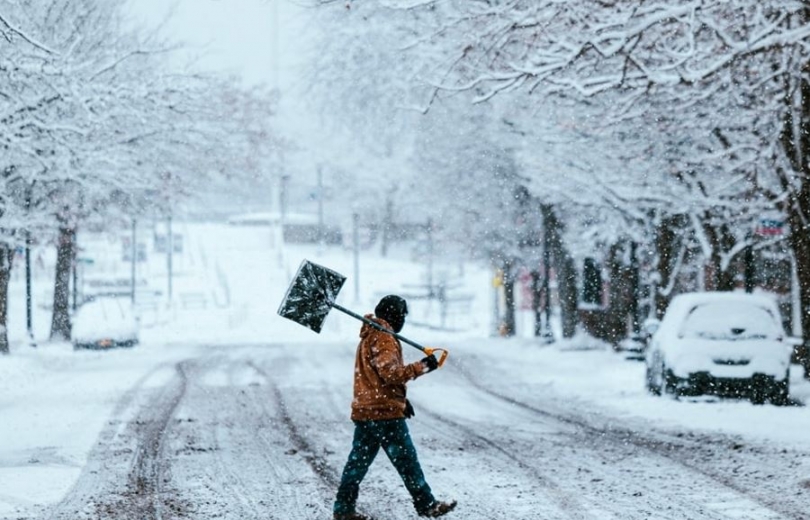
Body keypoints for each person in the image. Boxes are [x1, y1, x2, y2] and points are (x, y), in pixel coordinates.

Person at [333, 295, 457, 520]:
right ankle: (427, 504)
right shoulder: (383, 338)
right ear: (394, 315)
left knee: (357, 464)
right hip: (383, 414)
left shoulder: (370, 334)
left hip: (367, 410)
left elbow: (375, 377)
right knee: (407, 460)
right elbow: (390, 373)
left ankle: (343, 509)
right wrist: (422, 366)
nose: (403, 320)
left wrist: (400, 399)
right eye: (402, 316)